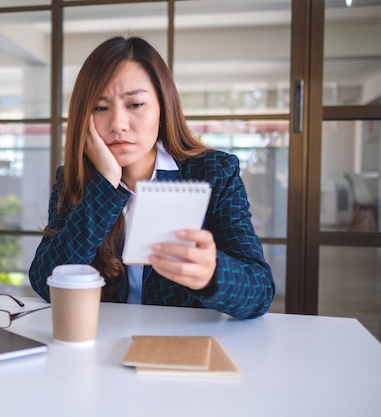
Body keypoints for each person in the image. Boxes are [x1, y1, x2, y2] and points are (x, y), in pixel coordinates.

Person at [29, 36, 274, 319]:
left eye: (134, 105)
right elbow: (46, 283)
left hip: (178, 345)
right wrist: (106, 184)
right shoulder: (74, 179)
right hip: (99, 341)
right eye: (100, 108)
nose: (118, 124)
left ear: (162, 107)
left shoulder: (214, 173)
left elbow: (260, 292)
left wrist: (212, 273)